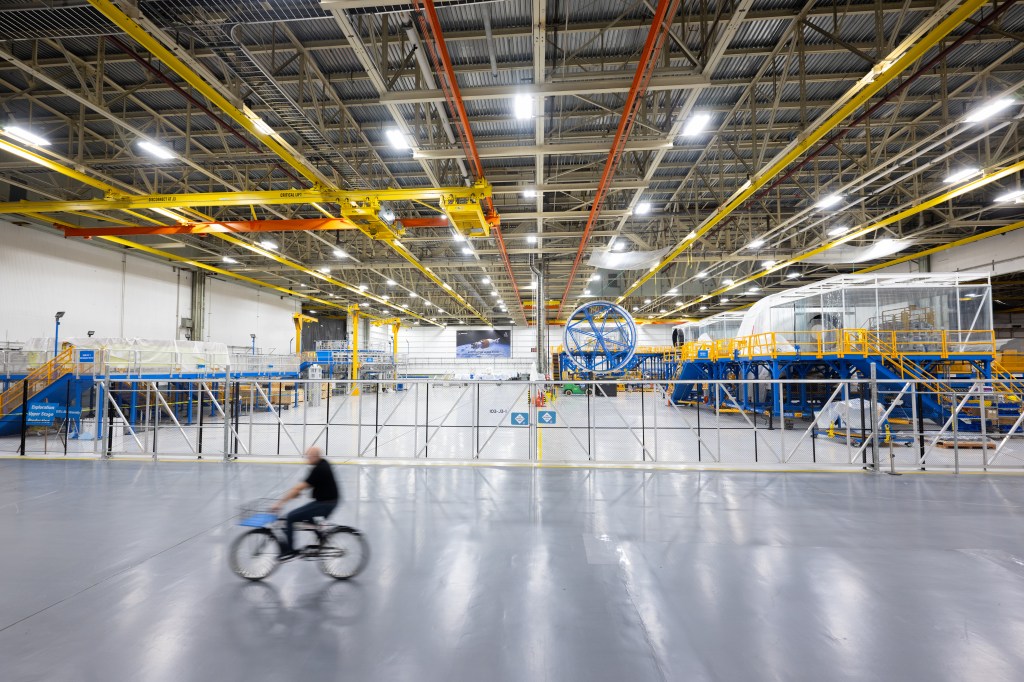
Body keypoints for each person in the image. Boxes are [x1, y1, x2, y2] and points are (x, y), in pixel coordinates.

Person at [270, 446, 339, 560]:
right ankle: (322, 538)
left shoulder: (319, 469)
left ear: (315, 456)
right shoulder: (322, 464)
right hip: (328, 501)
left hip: (325, 504)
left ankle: (289, 550)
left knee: (291, 517)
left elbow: (299, 488)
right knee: (305, 516)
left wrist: (279, 503)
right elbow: (308, 485)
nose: (307, 459)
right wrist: (298, 491)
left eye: (309, 456)